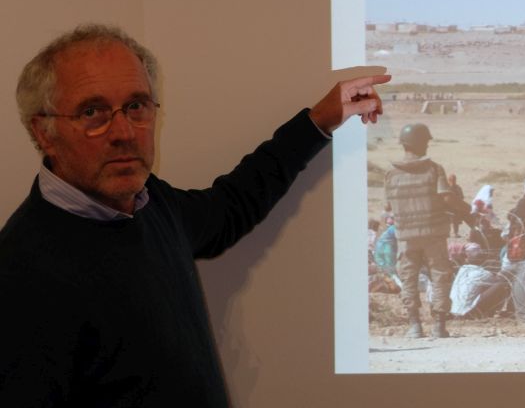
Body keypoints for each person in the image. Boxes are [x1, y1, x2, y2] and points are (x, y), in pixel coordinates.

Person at [0, 24, 390, 406]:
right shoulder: (20, 274)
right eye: (92, 112)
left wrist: (318, 121)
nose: (124, 131)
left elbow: (231, 206)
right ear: (45, 131)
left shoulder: (150, 202)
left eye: (136, 106)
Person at [385, 123, 454, 338]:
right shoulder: (434, 169)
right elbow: (447, 198)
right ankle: (439, 326)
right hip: (433, 233)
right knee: (440, 276)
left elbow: (388, 207)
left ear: (404, 144)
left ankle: (414, 325)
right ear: (423, 143)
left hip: (405, 237)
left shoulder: (391, 174)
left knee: (409, 279)